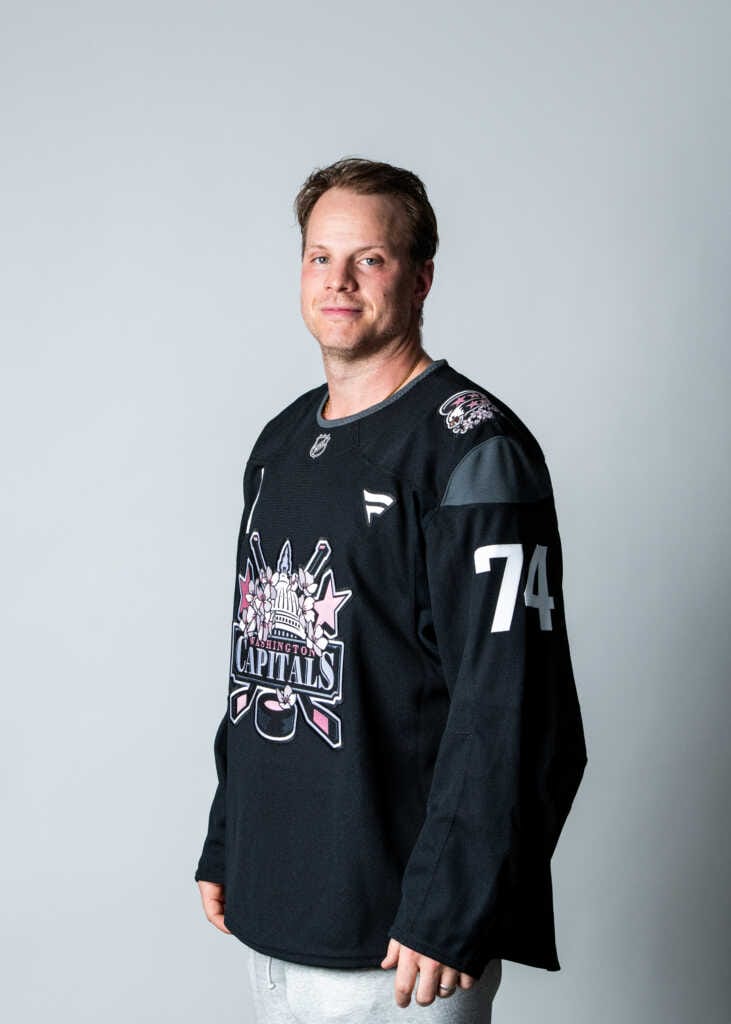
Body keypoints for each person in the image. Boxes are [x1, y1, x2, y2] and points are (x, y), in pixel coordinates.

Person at [194, 156, 587, 1022]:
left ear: (419, 278)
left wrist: (452, 908)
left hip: (401, 945)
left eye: (367, 258)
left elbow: (516, 708)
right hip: (272, 914)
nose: (337, 281)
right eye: (319, 256)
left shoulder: (473, 450)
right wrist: (228, 840)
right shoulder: (281, 443)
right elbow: (258, 664)